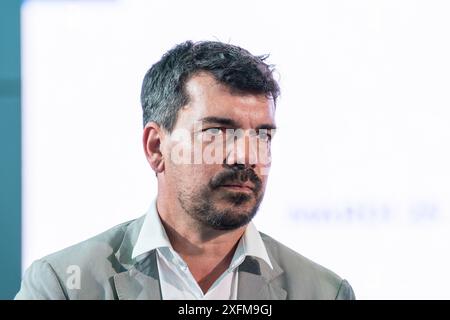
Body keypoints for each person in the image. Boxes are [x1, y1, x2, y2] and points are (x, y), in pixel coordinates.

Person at [15, 40, 355, 300]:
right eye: (217, 132)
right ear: (156, 147)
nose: (246, 155)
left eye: (262, 134)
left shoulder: (323, 292)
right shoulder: (62, 286)